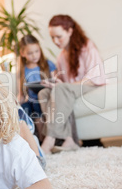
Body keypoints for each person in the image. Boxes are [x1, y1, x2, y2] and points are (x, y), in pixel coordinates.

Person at [38, 14, 106, 154]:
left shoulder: (87, 47)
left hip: (91, 84)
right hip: (72, 89)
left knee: (61, 89)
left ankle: (49, 139)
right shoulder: (61, 56)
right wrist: (55, 82)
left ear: (70, 31)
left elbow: (94, 77)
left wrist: (64, 85)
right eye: (52, 37)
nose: (55, 41)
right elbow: (63, 84)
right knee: (43, 93)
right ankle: (68, 139)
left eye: (59, 36)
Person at [18, 34, 56, 140]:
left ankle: (44, 139)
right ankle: (35, 139)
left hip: (46, 97)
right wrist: (17, 104)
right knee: (24, 108)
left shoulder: (48, 64)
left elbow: (56, 82)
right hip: (31, 100)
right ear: (22, 53)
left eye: (37, 51)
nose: (34, 55)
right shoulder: (23, 70)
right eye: (30, 53)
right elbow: (21, 94)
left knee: (37, 105)